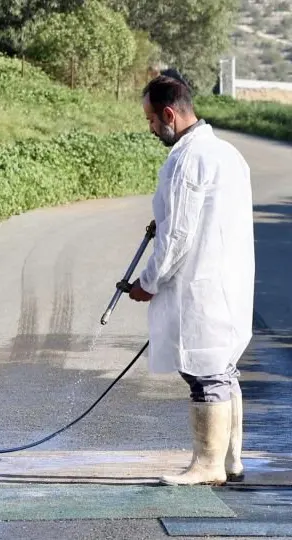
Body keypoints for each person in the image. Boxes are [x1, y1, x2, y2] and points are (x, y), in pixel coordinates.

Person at [128, 76, 254, 486]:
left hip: (201, 285)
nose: (149, 128)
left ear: (169, 114)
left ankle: (207, 464)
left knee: (206, 372)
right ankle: (231, 459)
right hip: (226, 280)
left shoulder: (187, 159)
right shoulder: (226, 153)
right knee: (222, 369)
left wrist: (148, 281)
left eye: (151, 120)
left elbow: (177, 236)